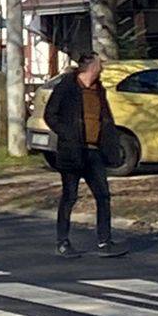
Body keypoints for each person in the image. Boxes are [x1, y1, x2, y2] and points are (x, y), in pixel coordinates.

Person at [44, 53, 125, 258]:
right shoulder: (67, 87)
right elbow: (50, 115)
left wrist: (110, 141)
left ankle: (104, 241)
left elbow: (105, 118)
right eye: (99, 63)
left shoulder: (99, 90)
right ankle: (63, 242)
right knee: (70, 196)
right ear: (91, 67)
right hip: (72, 151)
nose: (102, 67)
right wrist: (67, 133)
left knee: (103, 195)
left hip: (94, 151)